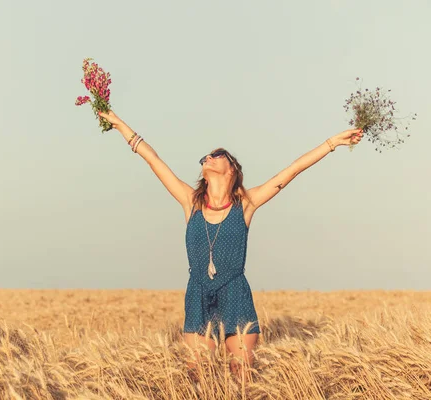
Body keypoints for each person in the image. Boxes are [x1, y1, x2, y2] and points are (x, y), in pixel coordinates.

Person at [98, 110, 363, 380]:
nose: (208, 158)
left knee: (242, 378)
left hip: (235, 294)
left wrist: (332, 143)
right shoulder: (191, 203)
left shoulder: (245, 204)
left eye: (216, 155)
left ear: (232, 169)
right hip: (198, 295)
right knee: (196, 377)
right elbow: (152, 159)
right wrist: (120, 125)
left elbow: (293, 169)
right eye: (206, 157)